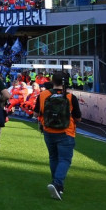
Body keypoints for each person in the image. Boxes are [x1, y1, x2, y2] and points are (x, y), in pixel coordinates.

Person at [34, 72, 82, 200]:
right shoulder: (71, 97)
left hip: (48, 131)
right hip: (66, 132)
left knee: (53, 157)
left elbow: (35, 114)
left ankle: (57, 185)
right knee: (65, 160)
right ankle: (57, 183)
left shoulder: (43, 95)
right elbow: (78, 117)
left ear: (53, 81)